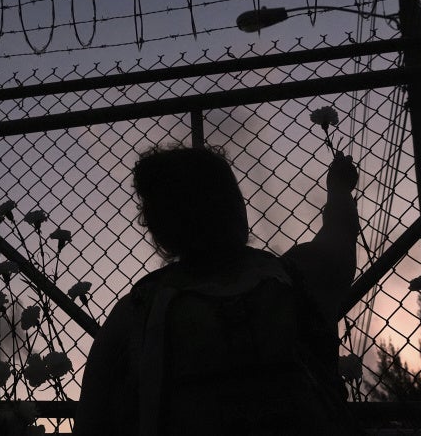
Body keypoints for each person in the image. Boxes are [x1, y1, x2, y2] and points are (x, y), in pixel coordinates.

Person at [74, 145, 361, 436]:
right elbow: (341, 233)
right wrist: (338, 188)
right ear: (235, 207)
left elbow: (90, 420)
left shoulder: (135, 311)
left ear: (158, 229)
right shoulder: (295, 278)